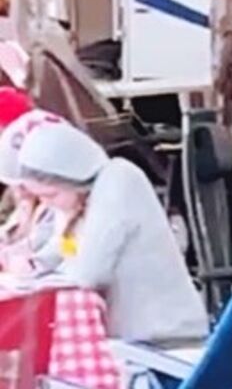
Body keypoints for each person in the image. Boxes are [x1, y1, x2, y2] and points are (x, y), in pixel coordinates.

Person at [17, 122, 209, 343]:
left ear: (72, 178)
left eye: (50, 195)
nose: (46, 203)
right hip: (131, 340)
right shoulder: (80, 196)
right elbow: (63, 245)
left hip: (166, 338)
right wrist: (34, 263)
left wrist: (37, 278)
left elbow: (89, 273)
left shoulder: (118, 182)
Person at [0, 101, 67, 275]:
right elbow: (10, 230)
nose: (19, 190)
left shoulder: (68, 204)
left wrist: (32, 262)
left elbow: (66, 247)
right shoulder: (26, 202)